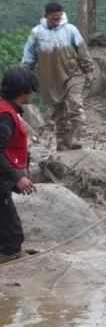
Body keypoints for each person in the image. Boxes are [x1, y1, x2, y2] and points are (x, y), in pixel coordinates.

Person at [21, 2, 93, 151]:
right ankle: (62, 142)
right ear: (45, 16)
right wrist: (25, 74)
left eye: (58, 19)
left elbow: (82, 51)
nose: (56, 22)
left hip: (73, 73)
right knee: (58, 111)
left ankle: (74, 139)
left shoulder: (70, 30)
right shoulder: (37, 33)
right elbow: (29, 55)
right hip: (51, 78)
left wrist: (89, 70)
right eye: (53, 19)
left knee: (76, 104)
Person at [0, 68, 38, 264]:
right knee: (13, 233)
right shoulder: (5, 116)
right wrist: (17, 177)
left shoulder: (8, 110)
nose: (32, 93)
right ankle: (9, 254)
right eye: (31, 90)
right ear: (23, 91)